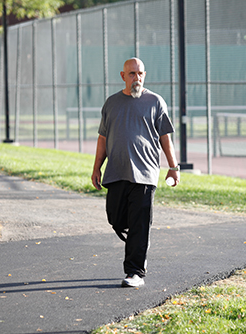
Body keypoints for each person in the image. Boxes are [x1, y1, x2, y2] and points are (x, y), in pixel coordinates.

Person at [91, 58, 180, 288]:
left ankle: (135, 272)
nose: (136, 78)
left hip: (145, 174)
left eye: (140, 74)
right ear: (123, 76)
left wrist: (173, 166)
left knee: (140, 223)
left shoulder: (155, 102)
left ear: (144, 75)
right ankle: (137, 242)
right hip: (116, 172)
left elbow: (165, 138)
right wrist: (96, 167)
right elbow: (103, 138)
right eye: (132, 74)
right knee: (115, 218)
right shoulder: (111, 103)